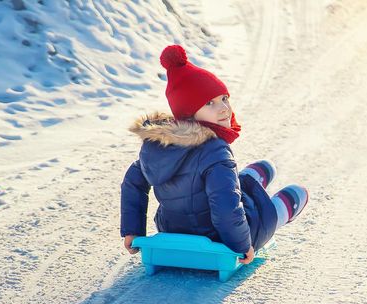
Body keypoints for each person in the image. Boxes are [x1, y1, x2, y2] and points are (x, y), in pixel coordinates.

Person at [119, 44, 308, 265]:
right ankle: (278, 206)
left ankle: (248, 181)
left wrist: (133, 231)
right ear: (190, 112)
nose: (223, 109)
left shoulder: (157, 146)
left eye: (224, 99)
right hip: (219, 241)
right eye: (210, 103)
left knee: (230, 181)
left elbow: (132, 184)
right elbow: (225, 206)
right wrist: (241, 245)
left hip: (172, 231)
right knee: (291, 196)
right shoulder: (215, 150)